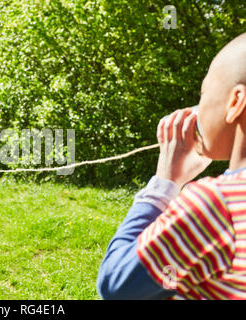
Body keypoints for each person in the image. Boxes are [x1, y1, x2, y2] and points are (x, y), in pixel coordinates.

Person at [97, 32, 246, 299]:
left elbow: (116, 286)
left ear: (235, 103)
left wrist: (165, 182)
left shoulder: (217, 205)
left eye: (204, 93)